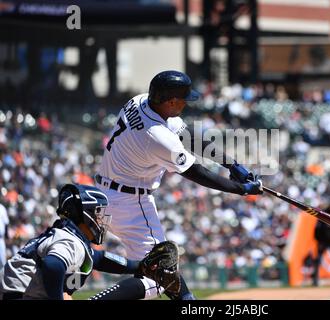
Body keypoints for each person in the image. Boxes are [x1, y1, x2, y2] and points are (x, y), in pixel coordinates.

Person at [93, 70, 262, 300]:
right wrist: (240, 189)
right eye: (183, 99)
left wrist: (230, 164)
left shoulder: (141, 100)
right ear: (171, 101)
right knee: (160, 276)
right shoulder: (157, 136)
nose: (186, 103)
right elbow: (196, 172)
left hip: (104, 193)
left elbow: (189, 137)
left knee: (158, 269)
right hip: (129, 203)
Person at [0, 184, 150, 300]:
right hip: (18, 296)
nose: (100, 220)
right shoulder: (70, 240)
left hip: (14, 295)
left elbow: (100, 259)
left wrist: (141, 266)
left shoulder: (66, 235)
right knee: (134, 288)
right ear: (85, 214)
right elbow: (53, 266)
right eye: (97, 213)